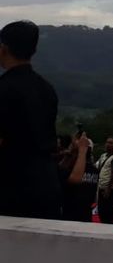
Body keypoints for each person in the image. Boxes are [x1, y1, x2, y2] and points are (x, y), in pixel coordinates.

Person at [0, 20, 61, 219]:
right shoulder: (47, 89)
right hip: (47, 183)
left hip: (11, 184)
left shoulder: (5, 89)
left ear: (4, 49)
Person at [56, 131, 98, 222]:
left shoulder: (93, 169)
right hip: (70, 213)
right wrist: (81, 150)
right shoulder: (68, 166)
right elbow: (74, 180)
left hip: (84, 213)